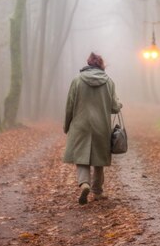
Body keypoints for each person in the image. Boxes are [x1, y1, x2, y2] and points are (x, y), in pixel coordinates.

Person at [63, 52, 122, 205]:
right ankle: (97, 192)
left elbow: (70, 105)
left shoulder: (77, 81)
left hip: (80, 125)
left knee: (81, 158)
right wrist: (119, 104)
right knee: (99, 159)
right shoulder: (109, 82)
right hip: (101, 126)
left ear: (88, 64)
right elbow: (115, 108)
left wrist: (66, 125)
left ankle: (84, 184)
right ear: (101, 65)